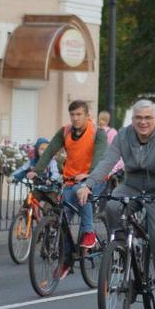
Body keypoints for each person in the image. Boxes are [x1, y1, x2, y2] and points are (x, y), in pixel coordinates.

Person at [77, 99, 155, 309]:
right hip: (131, 185)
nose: (143, 122)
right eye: (138, 118)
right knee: (113, 205)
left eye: (148, 118)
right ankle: (122, 251)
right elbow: (107, 161)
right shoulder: (124, 135)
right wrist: (88, 184)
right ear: (132, 120)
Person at [29, 100, 108, 278]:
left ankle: (88, 233)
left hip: (95, 179)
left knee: (83, 194)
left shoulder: (98, 133)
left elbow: (100, 156)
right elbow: (49, 151)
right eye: (72, 115)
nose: (75, 118)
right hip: (71, 180)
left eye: (79, 114)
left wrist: (89, 175)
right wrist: (37, 170)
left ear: (87, 116)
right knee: (62, 218)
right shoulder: (65, 131)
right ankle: (66, 261)